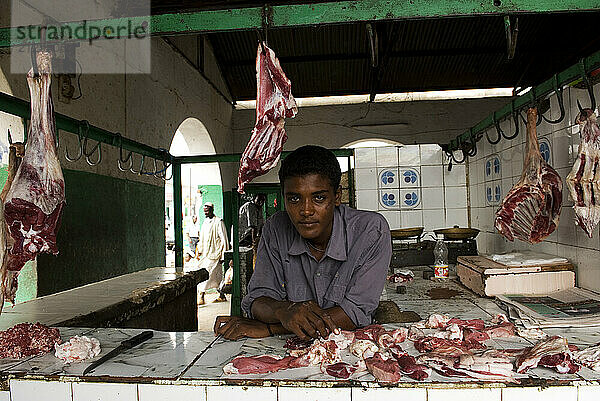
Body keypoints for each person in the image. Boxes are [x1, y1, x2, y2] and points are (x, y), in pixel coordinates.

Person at [214, 145, 391, 340]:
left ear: (337, 196)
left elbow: (354, 313)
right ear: (284, 198)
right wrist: (284, 310)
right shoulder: (276, 228)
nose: (306, 211)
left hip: (352, 351)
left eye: (319, 198)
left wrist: (271, 329)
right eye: (295, 199)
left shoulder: (371, 231)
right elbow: (258, 300)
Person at [197, 202, 229, 305]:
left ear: (211, 209)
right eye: (204, 211)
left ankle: (201, 295)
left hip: (216, 254)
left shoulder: (219, 221)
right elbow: (202, 238)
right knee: (215, 276)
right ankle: (221, 295)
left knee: (209, 274)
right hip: (206, 254)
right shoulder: (205, 222)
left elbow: (224, 239)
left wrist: (224, 254)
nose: (206, 213)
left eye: (207, 210)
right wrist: (200, 251)